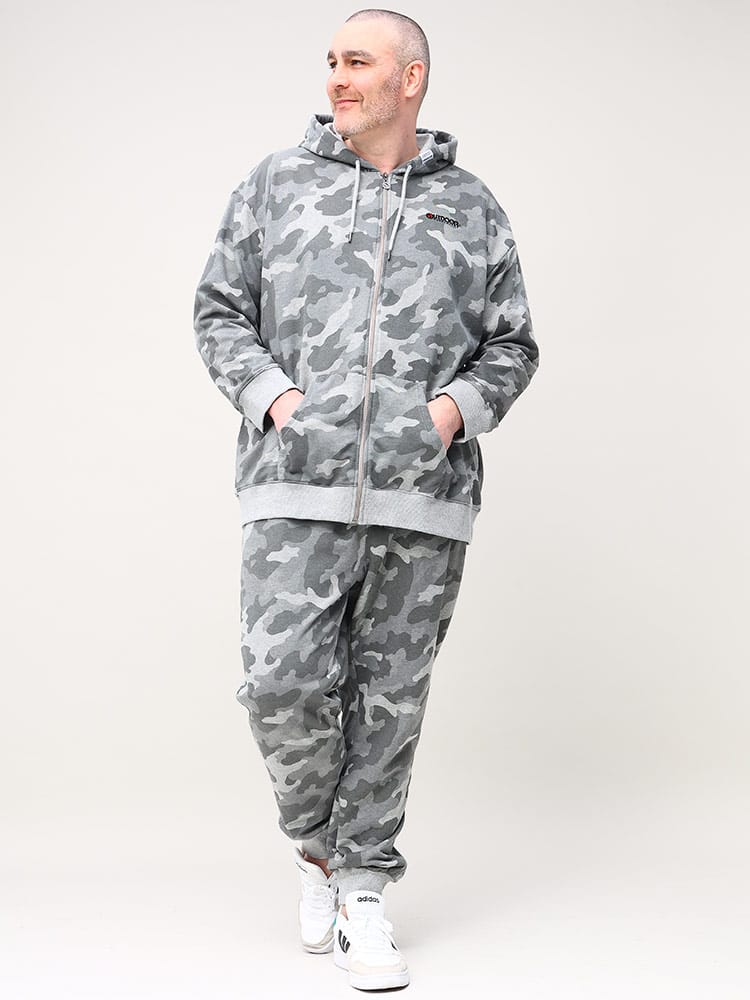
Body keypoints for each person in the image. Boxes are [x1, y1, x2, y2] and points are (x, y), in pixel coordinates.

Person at [193, 8, 539, 991]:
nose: (337, 79)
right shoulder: (275, 185)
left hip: (423, 495)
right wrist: (278, 401)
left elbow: (512, 343)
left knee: (390, 700)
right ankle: (317, 844)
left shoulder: (470, 207)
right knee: (281, 686)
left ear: (410, 78)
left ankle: (363, 888)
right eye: (332, 62)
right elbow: (219, 310)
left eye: (358, 62)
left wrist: (448, 415)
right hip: (292, 486)